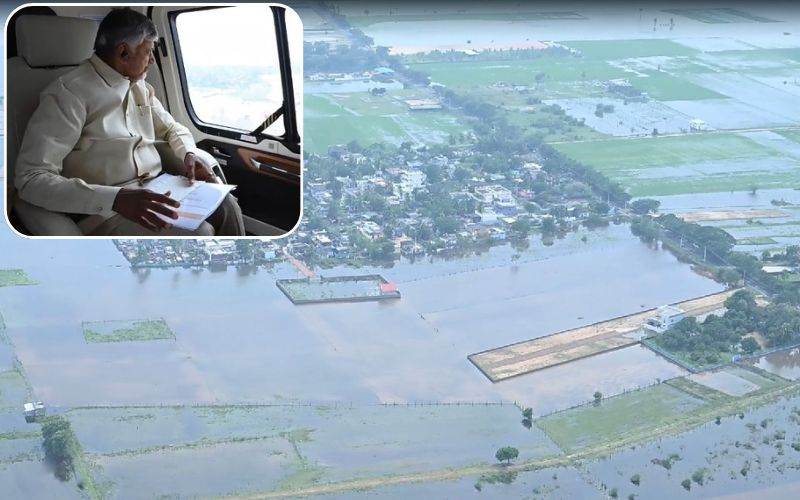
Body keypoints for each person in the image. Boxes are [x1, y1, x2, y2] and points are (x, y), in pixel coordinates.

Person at [14, 8, 245, 236]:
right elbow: (30, 178)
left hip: (158, 189)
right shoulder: (69, 94)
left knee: (228, 207)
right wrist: (115, 199)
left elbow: (172, 128)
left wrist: (188, 154)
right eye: (149, 51)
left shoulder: (139, 85)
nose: (153, 60)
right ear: (124, 53)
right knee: (199, 233)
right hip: (106, 211)